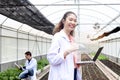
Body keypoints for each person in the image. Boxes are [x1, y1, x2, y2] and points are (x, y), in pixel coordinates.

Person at [47, 11, 82, 80]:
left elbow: (72, 58)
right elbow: (52, 59)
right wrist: (67, 51)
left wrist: (77, 62)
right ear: (63, 21)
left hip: (73, 73)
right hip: (62, 75)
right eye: (70, 19)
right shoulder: (58, 37)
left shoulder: (72, 39)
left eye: (75, 21)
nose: (73, 23)